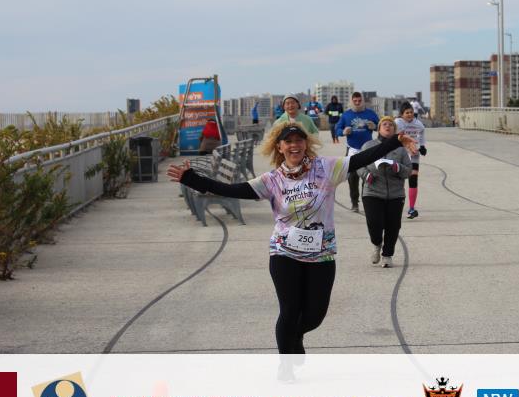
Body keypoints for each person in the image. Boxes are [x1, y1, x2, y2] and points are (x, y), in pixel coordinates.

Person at [168, 123, 417, 356]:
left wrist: (395, 140)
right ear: (279, 147)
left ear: (305, 144)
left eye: (299, 140)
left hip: (321, 254)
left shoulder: (327, 168)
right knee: (289, 312)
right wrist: (192, 179)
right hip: (284, 253)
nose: (294, 145)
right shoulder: (272, 180)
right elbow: (233, 189)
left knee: (314, 316)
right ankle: (288, 365)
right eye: (288, 142)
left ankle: (292, 339)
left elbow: (363, 158)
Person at [357, 116, 412, 267]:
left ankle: (387, 255)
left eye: (391, 125)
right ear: (379, 129)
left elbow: (408, 171)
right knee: (374, 224)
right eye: (384, 124)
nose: (388, 126)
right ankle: (376, 244)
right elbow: (358, 164)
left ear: (395, 129)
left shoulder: (400, 149)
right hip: (372, 191)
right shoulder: (368, 145)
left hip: (395, 194)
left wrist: (398, 167)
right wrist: (366, 175)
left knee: (393, 226)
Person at [333, 92, 379, 213]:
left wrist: (374, 126)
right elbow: (337, 129)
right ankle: (354, 203)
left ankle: (367, 202)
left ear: (363, 101)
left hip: (367, 149)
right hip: (352, 149)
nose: (357, 103)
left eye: (359, 101)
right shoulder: (346, 115)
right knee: (352, 178)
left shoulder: (370, 113)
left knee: (368, 177)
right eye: (355, 101)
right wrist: (343, 132)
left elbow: (381, 126)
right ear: (351, 101)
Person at [395, 101, 427, 218]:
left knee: (413, 179)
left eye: (411, 112)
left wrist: (422, 146)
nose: (409, 114)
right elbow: (393, 136)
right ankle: (395, 205)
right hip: (401, 153)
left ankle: (412, 208)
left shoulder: (418, 123)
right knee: (398, 180)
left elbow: (422, 132)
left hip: (414, 153)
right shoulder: (397, 123)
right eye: (407, 113)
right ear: (401, 114)